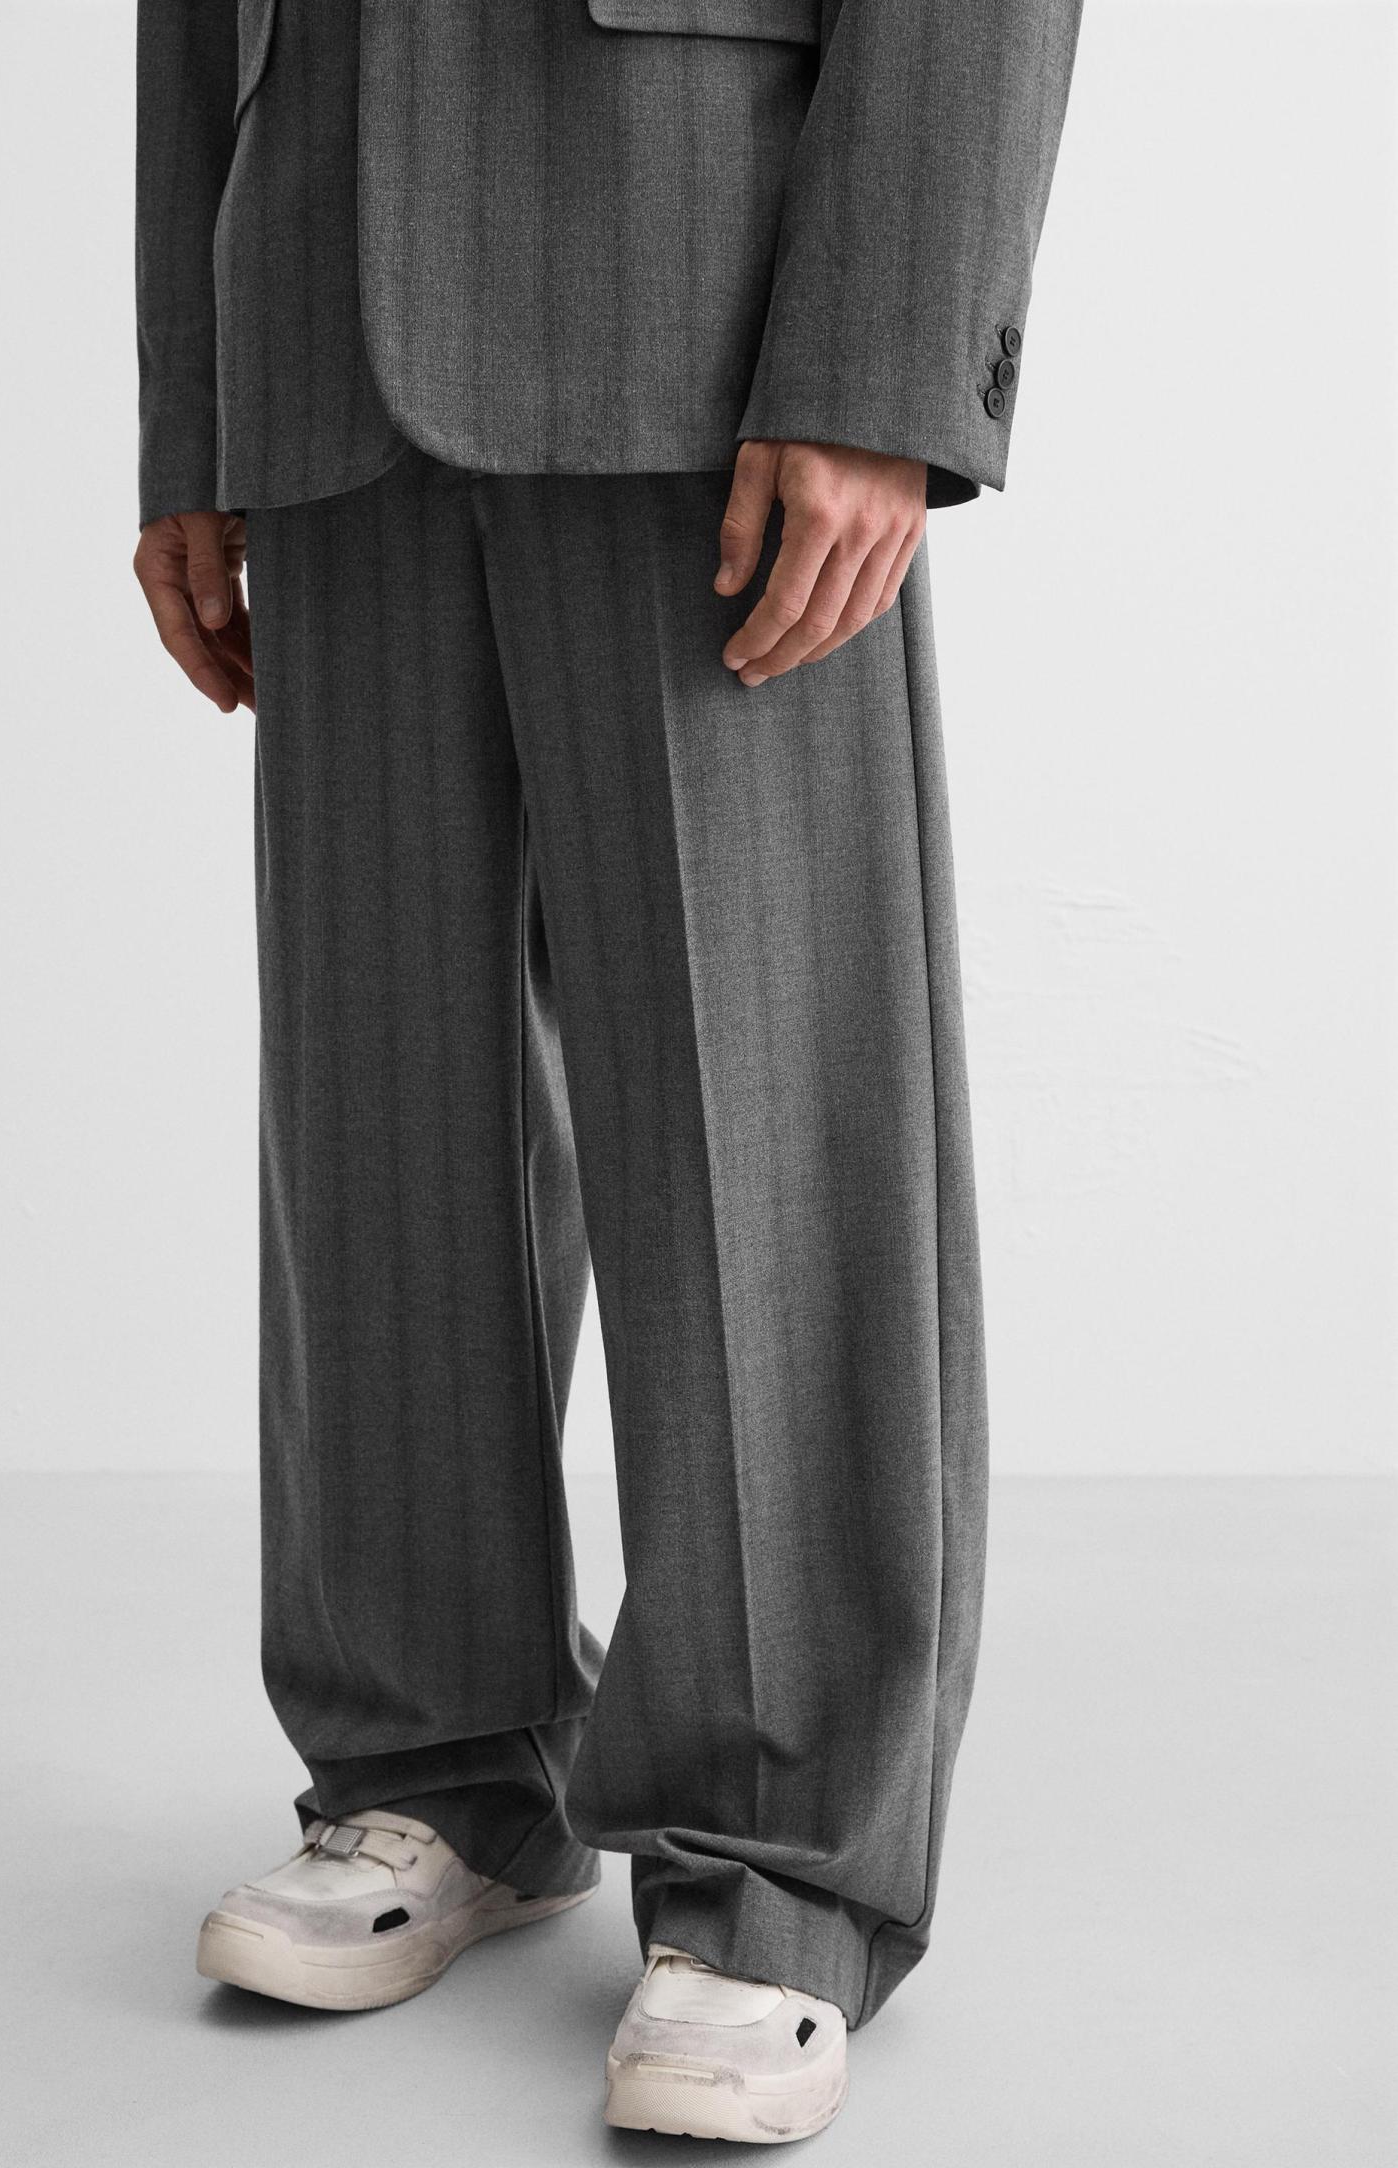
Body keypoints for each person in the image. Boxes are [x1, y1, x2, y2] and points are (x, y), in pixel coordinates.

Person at [133, 0, 1083, 2144]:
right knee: (376, 1108)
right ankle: (432, 1759)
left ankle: (778, 1860)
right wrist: (194, 402)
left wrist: (882, 359)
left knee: (758, 1100)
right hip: (318, 305)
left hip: (706, 293)